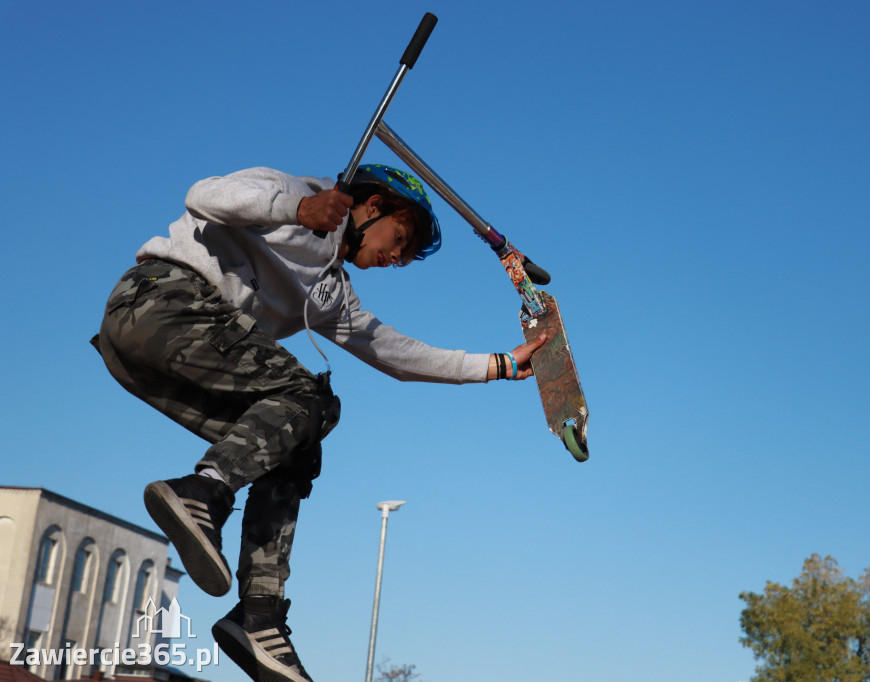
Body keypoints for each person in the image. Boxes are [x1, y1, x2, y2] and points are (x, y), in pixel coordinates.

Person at [91, 164, 546, 682]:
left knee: (298, 439)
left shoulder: (332, 294)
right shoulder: (291, 194)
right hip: (159, 301)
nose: (396, 258)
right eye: (399, 239)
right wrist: (299, 210)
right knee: (307, 396)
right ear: (371, 206)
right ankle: (205, 490)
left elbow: (394, 353)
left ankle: (258, 616)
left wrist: (496, 365)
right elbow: (202, 195)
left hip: (161, 357)